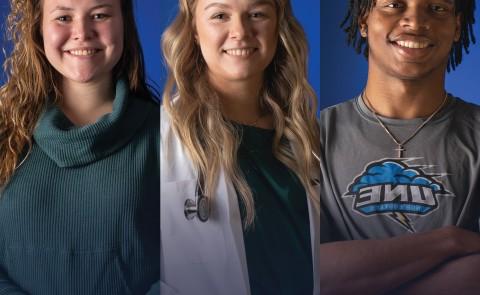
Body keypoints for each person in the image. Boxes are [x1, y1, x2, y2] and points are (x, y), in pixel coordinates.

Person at [320, 0, 480, 294]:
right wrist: (451, 241)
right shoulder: (312, 136)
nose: (416, 22)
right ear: (364, 21)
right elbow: (314, 272)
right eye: (394, 4)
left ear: (457, 27)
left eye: (437, 8)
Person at [160, 0, 320, 294]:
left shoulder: (304, 133)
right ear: (194, 29)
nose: (240, 32)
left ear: (278, 25)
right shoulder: (159, 140)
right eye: (220, 16)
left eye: (257, 15)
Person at [0, 0, 159, 294]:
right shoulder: (4, 130)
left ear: (124, 23)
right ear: (39, 27)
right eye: (63, 17)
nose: (82, 33)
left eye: (99, 15)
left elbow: (191, 261)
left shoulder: (168, 137)